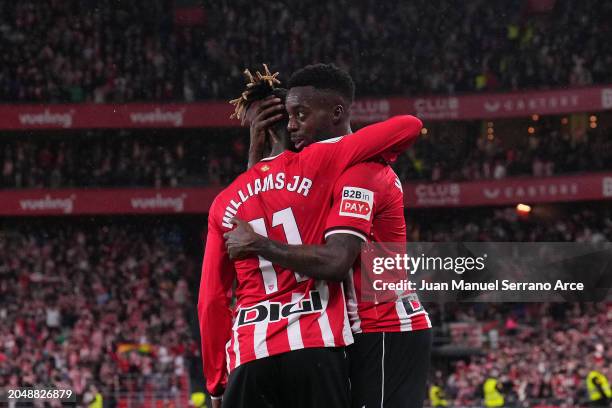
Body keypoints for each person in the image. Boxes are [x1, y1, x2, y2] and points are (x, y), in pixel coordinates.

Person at [198, 65, 423, 408]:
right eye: (289, 116)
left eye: (300, 115)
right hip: (319, 346)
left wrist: (216, 382)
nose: (293, 124)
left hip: (267, 348)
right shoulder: (320, 167)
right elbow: (409, 125)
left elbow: (212, 300)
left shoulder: (226, 200)